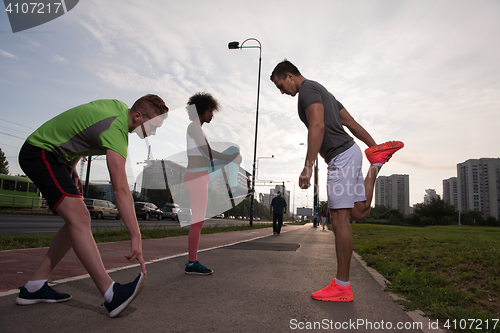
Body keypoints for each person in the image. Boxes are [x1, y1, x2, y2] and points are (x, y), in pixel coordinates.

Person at [16, 95, 169, 317]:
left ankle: (34, 287)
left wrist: (73, 165)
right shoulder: (116, 132)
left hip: (57, 156)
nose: (154, 132)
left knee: (74, 222)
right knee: (80, 218)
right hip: (40, 152)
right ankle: (111, 294)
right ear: (138, 116)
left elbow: (82, 129)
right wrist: (136, 235)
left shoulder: (116, 108)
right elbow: (121, 190)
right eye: (153, 126)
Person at [270, 59, 403, 302]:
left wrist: (308, 167)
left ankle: (342, 286)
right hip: (350, 153)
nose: (281, 92)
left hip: (340, 157)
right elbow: (350, 123)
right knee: (358, 211)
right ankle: (376, 164)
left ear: (290, 75)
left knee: (339, 218)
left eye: (280, 85)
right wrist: (375, 148)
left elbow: (318, 126)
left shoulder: (307, 91)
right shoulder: (324, 91)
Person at [184, 92, 245, 275]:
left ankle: (233, 186)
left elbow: (208, 153)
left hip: (201, 174)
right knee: (198, 222)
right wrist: (230, 157)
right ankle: (192, 263)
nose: (212, 115)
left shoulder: (198, 129)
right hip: (196, 176)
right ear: (201, 110)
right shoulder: (193, 127)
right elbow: (208, 152)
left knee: (198, 221)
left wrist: (231, 158)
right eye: (210, 111)